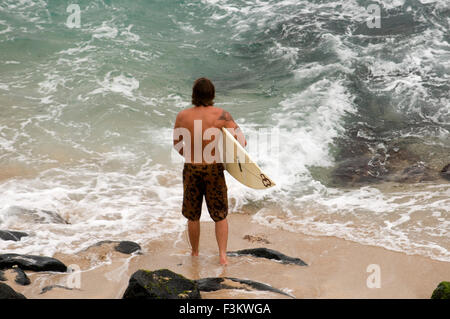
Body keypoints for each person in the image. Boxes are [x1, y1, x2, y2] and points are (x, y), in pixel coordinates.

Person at [173, 77, 246, 265]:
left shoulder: (182, 116)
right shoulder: (222, 115)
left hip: (191, 168)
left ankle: (195, 253)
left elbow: (177, 145)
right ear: (212, 95)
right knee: (220, 215)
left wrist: (190, 155)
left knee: (192, 215)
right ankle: (222, 256)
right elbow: (242, 142)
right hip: (213, 169)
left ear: (194, 95)